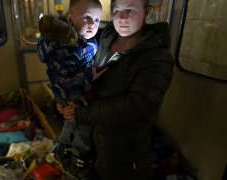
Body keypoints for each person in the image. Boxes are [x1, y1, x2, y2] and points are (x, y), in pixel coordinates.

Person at [56, 0, 174, 179]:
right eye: (117, 10)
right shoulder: (100, 39)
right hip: (89, 146)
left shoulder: (157, 57)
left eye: (130, 10)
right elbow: (74, 74)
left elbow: (137, 106)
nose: (122, 16)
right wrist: (62, 100)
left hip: (122, 155)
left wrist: (81, 114)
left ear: (146, 12)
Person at [37, 0, 102, 178]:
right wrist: (90, 77)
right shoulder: (65, 47)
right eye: (87, 17)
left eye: (97, 20)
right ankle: (79, 156)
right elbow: (66, 78)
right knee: (82, 128)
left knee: (69, 122)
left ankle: (63, 147)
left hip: (68, 95)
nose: (92, 24)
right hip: (75, 94)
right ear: (70, 17)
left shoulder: (75, 39)